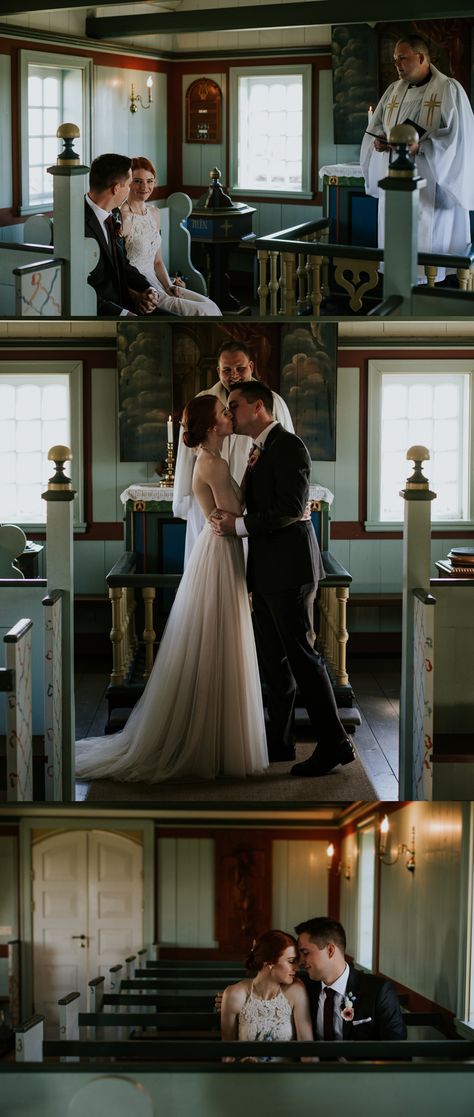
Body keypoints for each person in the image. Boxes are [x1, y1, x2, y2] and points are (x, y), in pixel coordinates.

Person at [75, 394, 268, 783]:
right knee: (221, 638)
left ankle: (219, 735)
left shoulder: (214, 460)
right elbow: (238, 512)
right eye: (223, 413)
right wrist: (253, 475)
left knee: (222, 638)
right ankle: (211, 740)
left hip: (220, 548)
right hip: (219, 553)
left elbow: (232, 506)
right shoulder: (211, 463)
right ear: (213, 426)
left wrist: (246, 472)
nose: (229, 417)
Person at [210, 380, 355, 775]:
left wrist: (237, 527)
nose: (230, 413)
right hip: (270, 569)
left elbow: (290, 510)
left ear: (258, 407)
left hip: (291, 569)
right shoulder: (261, 447)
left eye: (235, 406)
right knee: (273, 662)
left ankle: (334, 744)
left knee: (304, 659)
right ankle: (281, 741)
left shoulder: (289, 446)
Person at [360, 36, 474, 282]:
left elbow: (459, 137)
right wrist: (380, 140)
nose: (397, 65)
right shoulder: (394, 90)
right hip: (394, 179)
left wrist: (421, 147)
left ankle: (431, 289)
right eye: (395, 60)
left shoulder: (448, 89)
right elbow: (380, 124)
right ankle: (398, 287)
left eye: (403, 58)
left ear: (421, 58)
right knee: (396, 239)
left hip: (431, 180)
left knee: (428, 243)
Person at [173, 340, 294, 567]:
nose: (234, 375)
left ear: (251, 366)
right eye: (227, 370)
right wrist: (185, 499)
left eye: (240, 368)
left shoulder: (272, 402)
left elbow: (286, 450)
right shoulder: (203, 401)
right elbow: (187, 454)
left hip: (256, 509)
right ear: (218, 371)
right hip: (209, 504)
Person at [121, 156, 222, 316]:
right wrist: (138, 295)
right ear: (128, 183)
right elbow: (118, 268)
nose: (145, 187)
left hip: (159, 282)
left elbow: (158, 261)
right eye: (138, 181)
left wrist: (169, 286)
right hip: (142, 289)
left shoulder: (154, 213)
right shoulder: (123, 218)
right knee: (201, 312)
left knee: (210, 305)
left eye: (150, 181)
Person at [295, 917, 407, 1040]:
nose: (300, 961)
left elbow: (396, 1048)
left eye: (305, 953)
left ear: (330, 950)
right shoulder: (302, 987)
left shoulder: (378, 991)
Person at [85, 153, 168, 317]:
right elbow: (79, 289)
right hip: (103, 313)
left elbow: (123, 263)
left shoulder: (113, 214)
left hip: (130, 302)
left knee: (180, 325)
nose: (133, 189)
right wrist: (124, 314)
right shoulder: (79, 225)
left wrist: (146, 289)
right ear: (116, 189)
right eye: (130, 184)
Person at [220, 930, 314, 1060]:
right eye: (291, 961)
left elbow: (307, 1051)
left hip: (286, 1076)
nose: (297, 968)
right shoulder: (234, 995)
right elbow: (228, 1054)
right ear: (269, 962)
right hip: (247, 1075)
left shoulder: (296, 991)